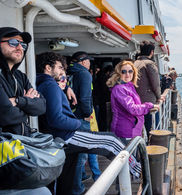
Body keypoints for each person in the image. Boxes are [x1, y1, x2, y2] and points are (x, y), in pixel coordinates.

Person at [36, 52, 141, 195]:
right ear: (48, 68)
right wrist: (77, 123)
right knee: (111, 141)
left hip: (57, 137)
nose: (63, 72)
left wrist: (66, 88)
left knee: (67, 174)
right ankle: (140, 172)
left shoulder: (42, 84)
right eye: (60, 67)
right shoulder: (50, 86)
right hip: (66, 135)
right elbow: (56, 119)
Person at [0, 27, 50, 195]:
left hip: (21, 150)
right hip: (3, 156)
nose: (19, 47)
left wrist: (18, 101)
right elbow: (6, 115)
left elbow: (41, 106)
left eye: (23, 45)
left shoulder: (20, 77)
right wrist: (27, 105)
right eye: (13, 42)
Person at [67, 51, 100, 194]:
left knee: (74, 155)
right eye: (88, 61)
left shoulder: (69, 72)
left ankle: (78, 181)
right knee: (81, 155)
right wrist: (87, 114)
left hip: (70, 117)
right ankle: (77, 189)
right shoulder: (85, 74)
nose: (90, 63)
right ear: (82, 61)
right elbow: (85, 98)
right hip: (81, 118)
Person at [106, 60, 159, 139]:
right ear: (119, 73)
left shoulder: (129, 86)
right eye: (124, 72)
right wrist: (150, 106)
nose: (127, 74)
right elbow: (132, 109)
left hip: (133, 130)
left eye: (130, 71)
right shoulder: (119, 89)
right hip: (125, 132)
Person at [134, 41, 164, 136]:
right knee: (153, 127)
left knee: (140, 128)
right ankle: (154, 146)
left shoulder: (135, 63)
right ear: (152, 52)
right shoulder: (149, 64)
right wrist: (159, 97)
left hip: (136, 102)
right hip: (149, 102)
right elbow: (156, 84)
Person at [93, 65, 113, 131]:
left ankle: (101, 129)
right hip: (104, 100)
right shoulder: (105, 79)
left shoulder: (98, 78)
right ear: (108, 72)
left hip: (98, 101)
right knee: (105, 118)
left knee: (100, 117)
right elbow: (105, 91)